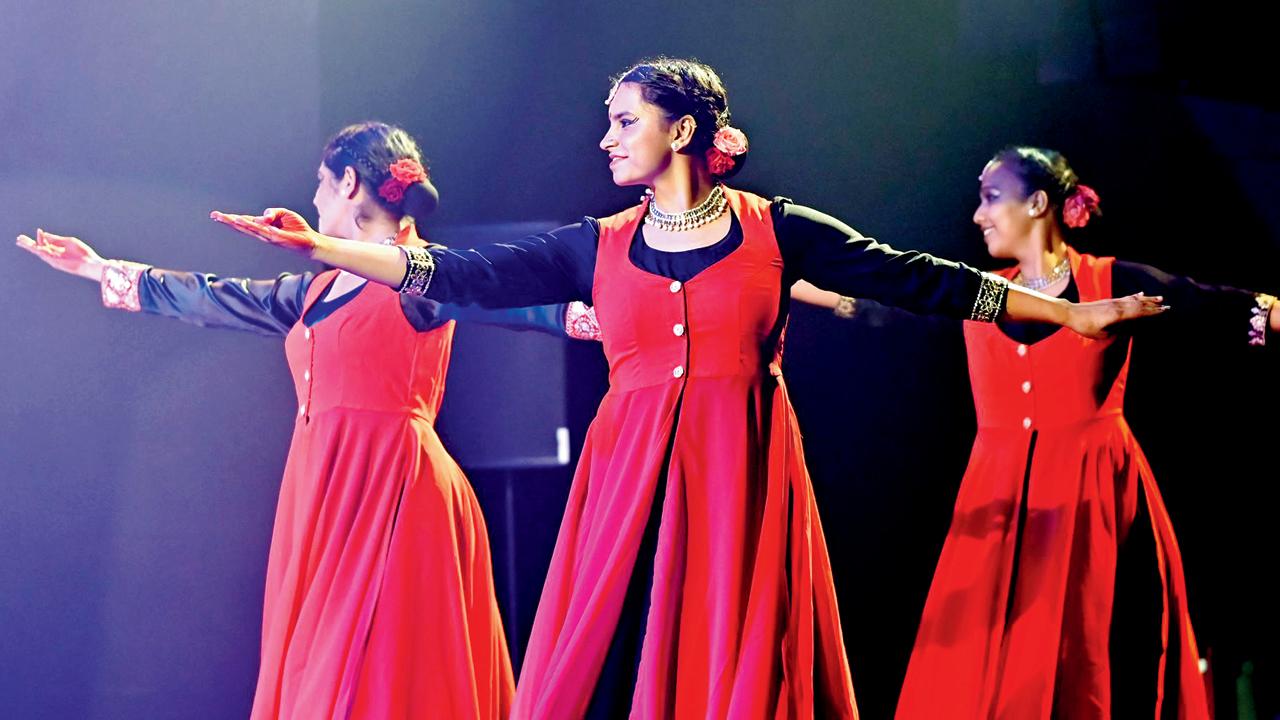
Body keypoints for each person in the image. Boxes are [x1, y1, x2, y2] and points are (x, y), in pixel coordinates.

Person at [212, 60, 1165, 719]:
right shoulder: (596, 243)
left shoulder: (773, 226)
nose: (606, 139)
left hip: (739, 474)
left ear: (685, 129)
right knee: (600, 654)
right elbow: (462, 274)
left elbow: (914, 277)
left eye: (625, 121)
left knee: (733, 654)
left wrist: (1070, 317)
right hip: (626, 477)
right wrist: (319, 246)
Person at [14, 122, 557, 720]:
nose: (316, 199)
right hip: (323, 491)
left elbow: (513, 297)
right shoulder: (316, 289)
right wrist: (100, 270)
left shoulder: (420, 274)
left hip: (395, 490)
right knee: (320, 667)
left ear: (350, 183)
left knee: (385, 672)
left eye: (321, 185)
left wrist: (602, 317)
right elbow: (217, 296)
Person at [894, 146, 1278, 719]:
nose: (978, 215)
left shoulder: (1108, 280)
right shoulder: (979, 292)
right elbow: (877, 298)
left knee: (1095, 660)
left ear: (1039, 203)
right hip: (999, 504)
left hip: (1094, 498)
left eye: (992, 198)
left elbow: (1217, 306)